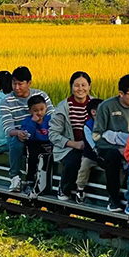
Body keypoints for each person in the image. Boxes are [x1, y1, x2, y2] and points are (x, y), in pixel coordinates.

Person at [93, 74, 129, 212]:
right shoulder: (106, 107)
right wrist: (118, 149)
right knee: (113, 158)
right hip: (108, 148)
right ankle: (114, 199)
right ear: (121, 93)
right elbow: (97, 136)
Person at [0, 66, 54, 192]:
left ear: (29, 83)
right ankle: (15, 177)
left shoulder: (41, 96)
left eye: (20, 84)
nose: (16, 87)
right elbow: (8, 128)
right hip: (21, 134)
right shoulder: (6, 101)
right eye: (14, 83)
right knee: (16, 142)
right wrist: (18, 132)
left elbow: (53, 116)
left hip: (41, 133)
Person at [48, 71, 92, 201]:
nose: (80, 89)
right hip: (69, 147)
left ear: (89, 86)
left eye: (84, 85)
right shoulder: (63, 107)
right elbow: (53, 134)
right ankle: (64, 189)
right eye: (76, 85)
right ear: (71, 87)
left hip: (92, 146)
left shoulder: (97, 105)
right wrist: (74, 144)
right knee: (74, 160)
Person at [20, 95, 53, 193]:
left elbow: (53, 133)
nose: (39, 113)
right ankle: (30, 181)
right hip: (33, 143)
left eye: (42, 109)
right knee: (32, 159)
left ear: (46, 107)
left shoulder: (49, 119)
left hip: (47, 143)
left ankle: (46, 183)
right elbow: (27, 135)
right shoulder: (28, 120)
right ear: (30, 111)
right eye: (35, 110)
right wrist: (33, 122)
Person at [75, 97, 103, 204]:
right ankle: (80, 188)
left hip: (104, 153)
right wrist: (97, 150)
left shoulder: (107, 123)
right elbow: (91, 141)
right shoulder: (88, 125)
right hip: (91, 154)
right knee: (84, 167)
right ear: (93, 112)